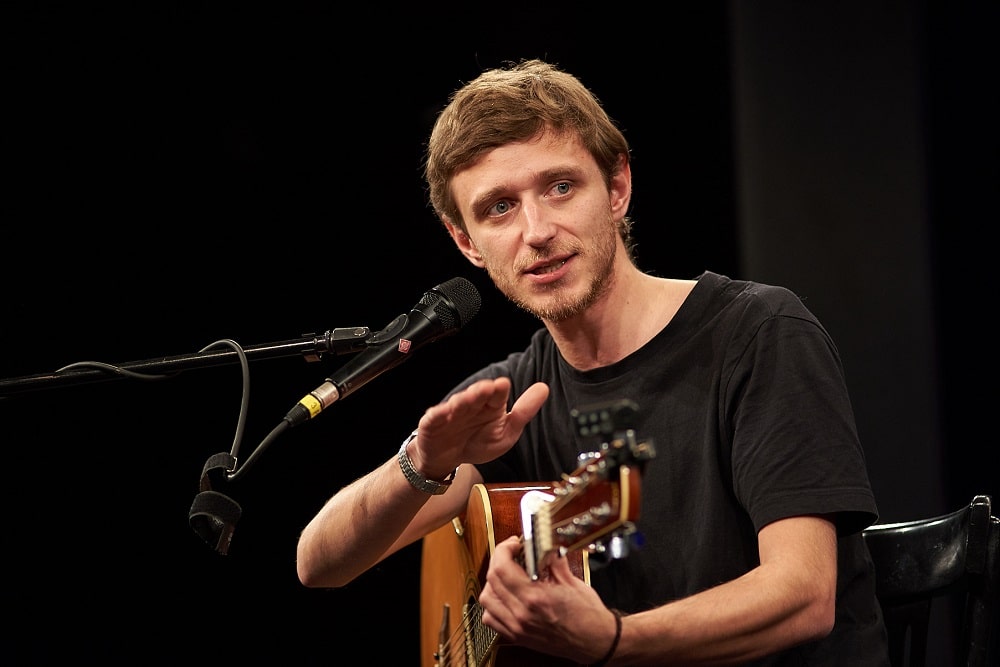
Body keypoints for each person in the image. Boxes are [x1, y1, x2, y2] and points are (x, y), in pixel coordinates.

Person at [296, 58, 889, 665]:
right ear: (466, 242)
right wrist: (423, 463)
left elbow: (804, 596)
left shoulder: (758, 334)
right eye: (499, 207)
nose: (537, 231)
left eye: (559, 187)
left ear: (617, 189)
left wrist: (612, 641)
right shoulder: (513, 399)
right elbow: (319, 564)